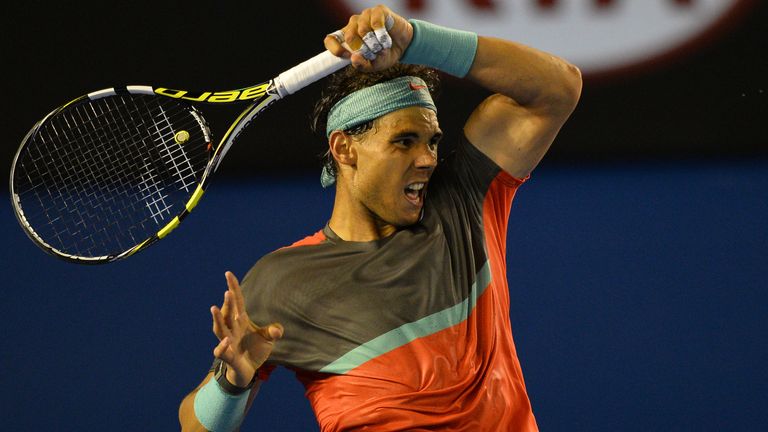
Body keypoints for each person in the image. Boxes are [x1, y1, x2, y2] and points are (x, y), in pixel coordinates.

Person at [179, 4, 581, 431]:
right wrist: (232, 385)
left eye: (432, 141)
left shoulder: (464, 200)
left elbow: (559, 88)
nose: (427, 159)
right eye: (405, 141)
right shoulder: (281, 282)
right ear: (344, 148)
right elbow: (196, 427)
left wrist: (417, 41)